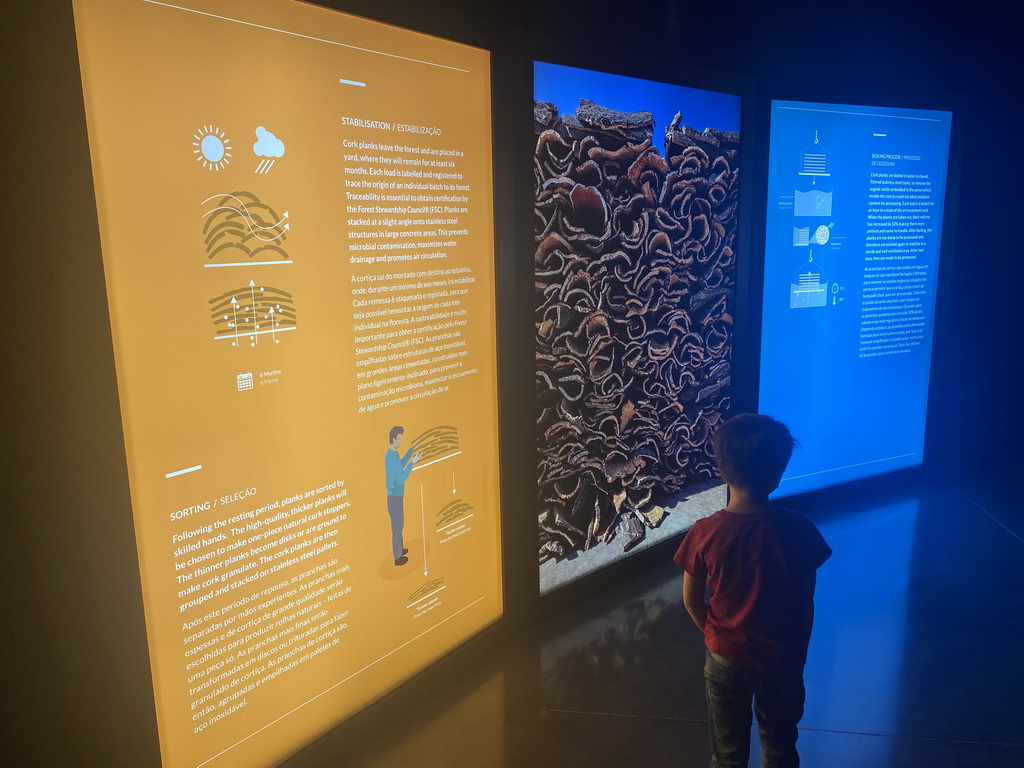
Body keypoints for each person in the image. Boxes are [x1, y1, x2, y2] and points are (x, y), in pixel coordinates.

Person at [674, 414, 831, 768]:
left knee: (726, 755)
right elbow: (805, 602)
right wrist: (797, 656)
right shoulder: (799, 531)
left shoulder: (703, 532)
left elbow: (691, 600)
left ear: (723, 469)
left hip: (724, 659)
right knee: (779, 749)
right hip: (781, 662)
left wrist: (718, 637)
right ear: (778, 473)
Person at [385, 426, 422, 566]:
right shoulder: (392, 457)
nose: (401, 441)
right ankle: (397, 558)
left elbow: (400, 464)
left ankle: (400, 549)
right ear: (393, 439)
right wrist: (413, 462)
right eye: (399, 438)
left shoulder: (393, 454)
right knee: (397, 528)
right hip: (394, 498)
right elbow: (400, 478)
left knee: (399, 525)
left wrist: (412, 451)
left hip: (395, 497)